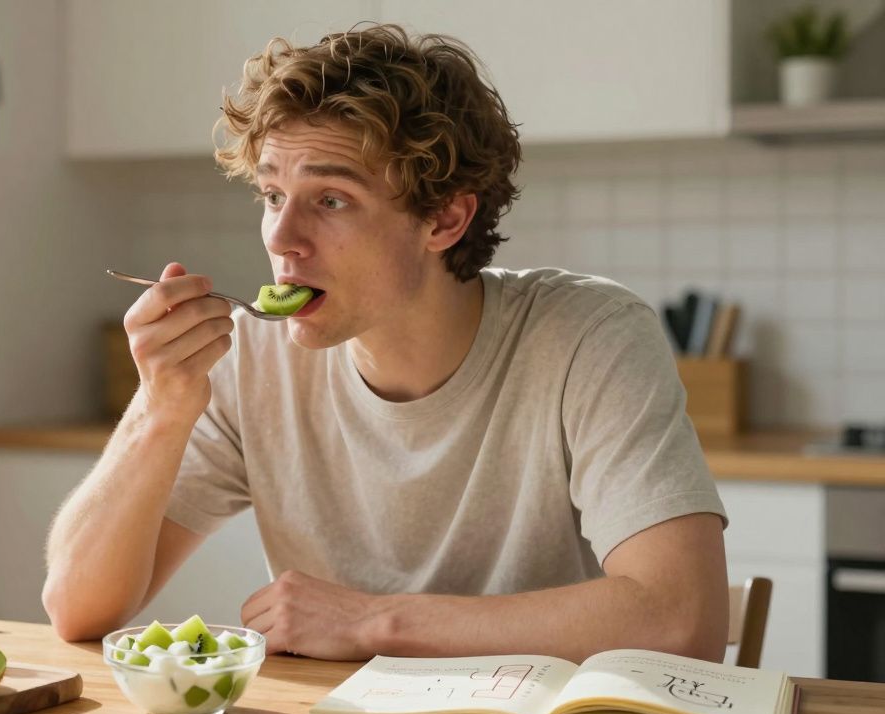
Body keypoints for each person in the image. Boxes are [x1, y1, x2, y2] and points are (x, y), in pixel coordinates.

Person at [42, 24, 729, 663]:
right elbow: (77, 608)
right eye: (273, 195)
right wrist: (159, 406)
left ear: (445, 217)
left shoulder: (589, 338)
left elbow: (680, 620)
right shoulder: (252, 357)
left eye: (331, 199)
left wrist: (374, 622)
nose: (281, 239)